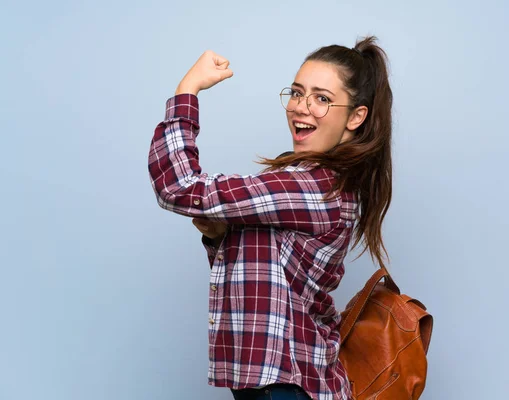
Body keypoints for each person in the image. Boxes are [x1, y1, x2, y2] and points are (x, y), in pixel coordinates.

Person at [148, 35, 393, 400]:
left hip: (289, 388)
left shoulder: (312, 186)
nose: (301, 107)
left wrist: (188, 90)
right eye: (296, 93)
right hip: (284, 384)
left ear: (356, 117)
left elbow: (179, 186)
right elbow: (267, 273)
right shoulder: (321, 183)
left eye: (322, 99)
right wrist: (218, 236)